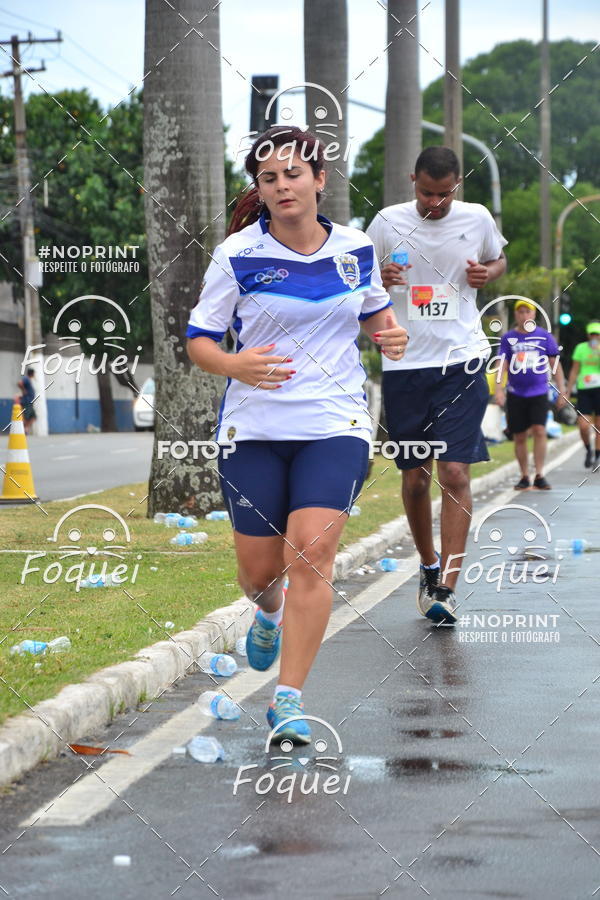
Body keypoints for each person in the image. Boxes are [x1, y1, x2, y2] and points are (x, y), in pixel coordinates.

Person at [186, 126, 407, 744]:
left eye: (292, 174)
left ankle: (288, 699)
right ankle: (268, 611)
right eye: (269, 178)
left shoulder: (356, 249)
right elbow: (199, 339)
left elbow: (375, 316)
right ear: (260, 189)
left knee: (310, 552)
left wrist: (390, 334)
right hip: (253, 428)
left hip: (335, 424)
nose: (282, 185)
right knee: (260, 572)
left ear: (318, 180)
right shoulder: (237, 254)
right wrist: (235, 364)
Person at [367, 146, 507, 624]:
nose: (434, 203)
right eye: (427, 193)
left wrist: (487, 273)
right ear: (413, 181)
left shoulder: (477, 218)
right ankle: (427, 565)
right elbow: (358, 283)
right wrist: (379, 278)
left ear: (457, 186)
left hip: (462, 360)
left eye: (444, 194)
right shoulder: (387, 222)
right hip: (406, 363)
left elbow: (498, 261)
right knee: (414, 477)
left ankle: (446, 586)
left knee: (454, 473)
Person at [494, 299, 567, 490]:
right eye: (520, 312)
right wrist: (499, 390)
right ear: (516, 315)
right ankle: (525, 475)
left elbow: (555, 364)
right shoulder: (508, 338)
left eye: (528, 312)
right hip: (516, 393)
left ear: (533, 315)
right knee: (519, 435)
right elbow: (502, 365)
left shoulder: (544, 336)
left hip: (539, 391)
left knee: (540, 430)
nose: (524, 315)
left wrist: (562, 390)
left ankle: (540, 474)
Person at [565, 322, 600, 469]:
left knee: (598, 425)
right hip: (584, 389)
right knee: (584, 425)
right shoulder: (581, 348)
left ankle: (598, 457)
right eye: (592, 334)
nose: (595, 337)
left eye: (597, 334)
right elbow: (574, 370)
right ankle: (588, 450)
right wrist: (568, 389)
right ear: (588, 335)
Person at [18, 367, 36, 435]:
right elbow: (20, 383)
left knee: (33, 417)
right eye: (34, 373)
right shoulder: (26, 379)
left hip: (30, 402)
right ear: (32, 373)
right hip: (27, 401)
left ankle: (25, 429)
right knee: (26, 417)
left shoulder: (29, 380)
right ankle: (23, 430)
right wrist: (23, 390)